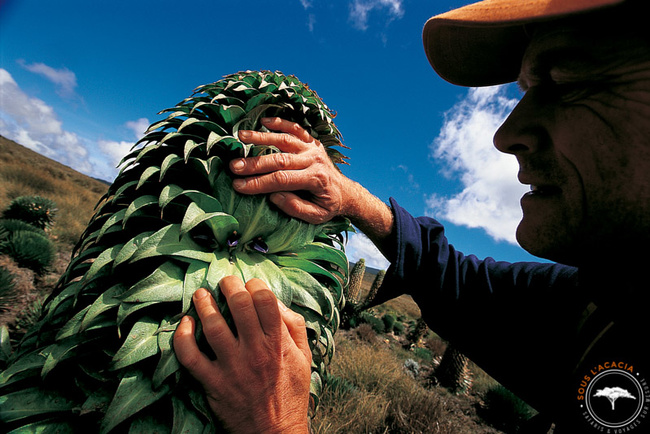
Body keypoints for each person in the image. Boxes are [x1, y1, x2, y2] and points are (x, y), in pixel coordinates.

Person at [173, 0, 650, 431]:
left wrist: (276, 425)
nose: (506, 134)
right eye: (524, 89)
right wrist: (347, 195)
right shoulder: (594, 309)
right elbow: (455, 281)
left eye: (564, 79)